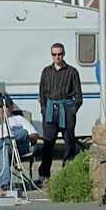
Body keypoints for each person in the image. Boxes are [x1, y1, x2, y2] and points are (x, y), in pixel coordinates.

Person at [37, 43, 82, 184]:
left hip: (66, 110)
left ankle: (67, 173)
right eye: (54, 54)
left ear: (64, 54)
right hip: (50, 111)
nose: (57, 57)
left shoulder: (72, 71)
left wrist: (72, 109)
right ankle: (44, 174)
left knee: (69, 144)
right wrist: (44, 109)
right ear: (51, 55)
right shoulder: (46, 71)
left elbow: (78, 95)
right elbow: (42, 92)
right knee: (48, 144)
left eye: (60, 54)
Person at [0, 95, 38, 193]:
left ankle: (3, 142)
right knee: (5, 148)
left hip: (16, 148)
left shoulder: (18, 118)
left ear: (11, 107)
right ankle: (5, 184)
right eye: (1, 107)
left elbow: (34, 135)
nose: (3, 109)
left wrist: (10, 139)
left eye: (6, 107)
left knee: (22, 132)